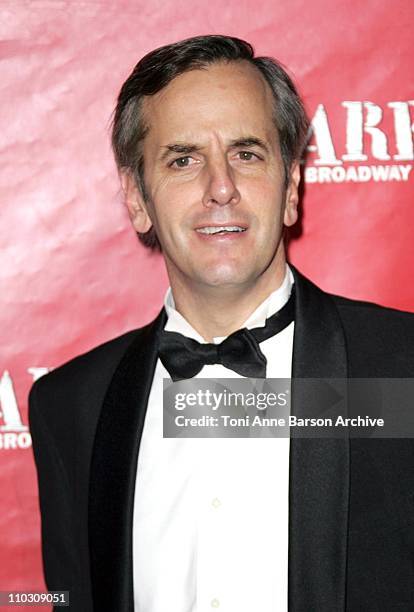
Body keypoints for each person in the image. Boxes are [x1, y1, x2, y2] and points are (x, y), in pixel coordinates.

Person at [29, 35, 414, 612]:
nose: (221, 188)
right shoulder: (70, 408)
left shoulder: (403, 372)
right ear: (137, 198)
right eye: (183, 159)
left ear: (291, 188)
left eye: (247, 153)